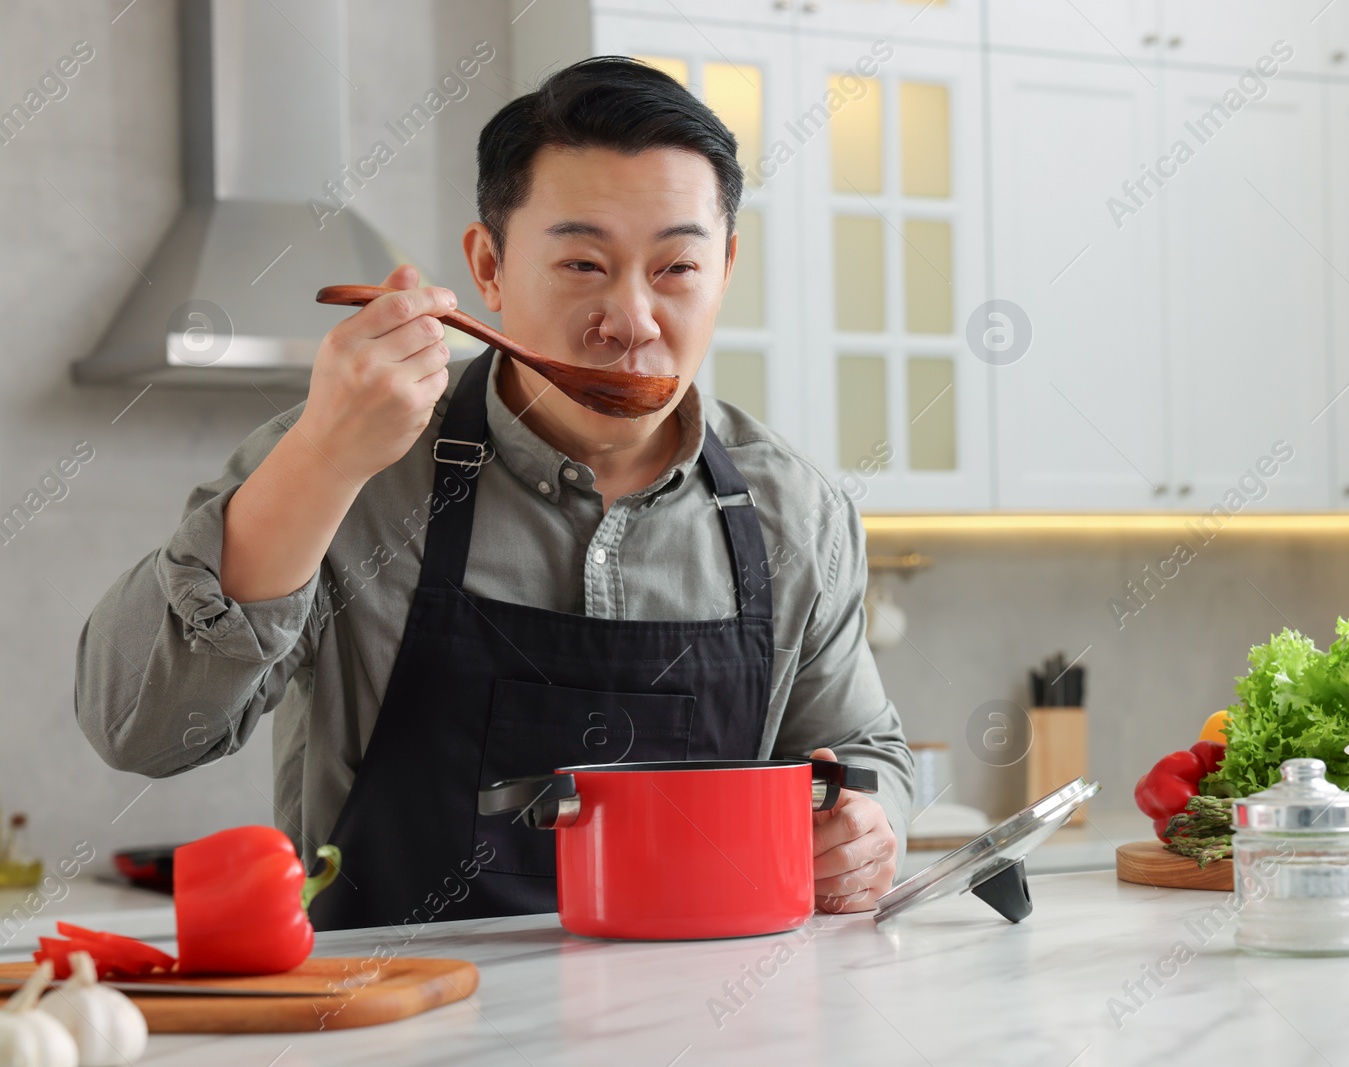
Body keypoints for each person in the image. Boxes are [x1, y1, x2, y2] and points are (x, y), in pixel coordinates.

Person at [73, 56, 913, 930]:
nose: (633, 319)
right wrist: (320, 459)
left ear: (726, 268)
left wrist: (871, 821)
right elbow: (136, 726)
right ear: (489, 267)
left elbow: (865, 752)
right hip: (399, 1026)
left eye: (676, 269)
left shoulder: (794, 512)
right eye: (584, 263)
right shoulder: (350, 453)